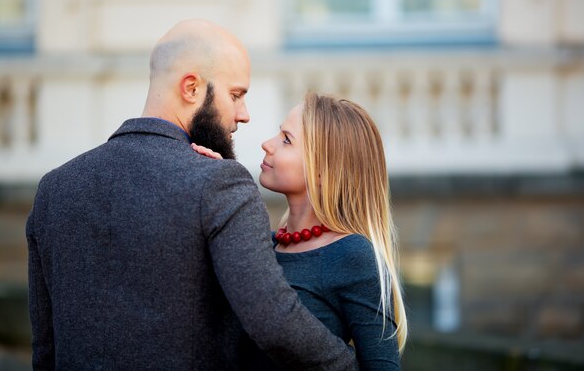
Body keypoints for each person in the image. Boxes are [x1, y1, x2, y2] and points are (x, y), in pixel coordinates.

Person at [25, 20, 358, 371]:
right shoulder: (220, 185)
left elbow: (45, 351)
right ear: (191, 88)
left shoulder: (54, 189)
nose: (243, 115)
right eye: (235, 95)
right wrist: (348, 365)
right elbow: (273, 320)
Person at [196, 93, 409, 370]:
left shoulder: (352, 255)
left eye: (286, 139)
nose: (267, 145)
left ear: (322, 170)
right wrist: (210, 179)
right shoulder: (265, 247)